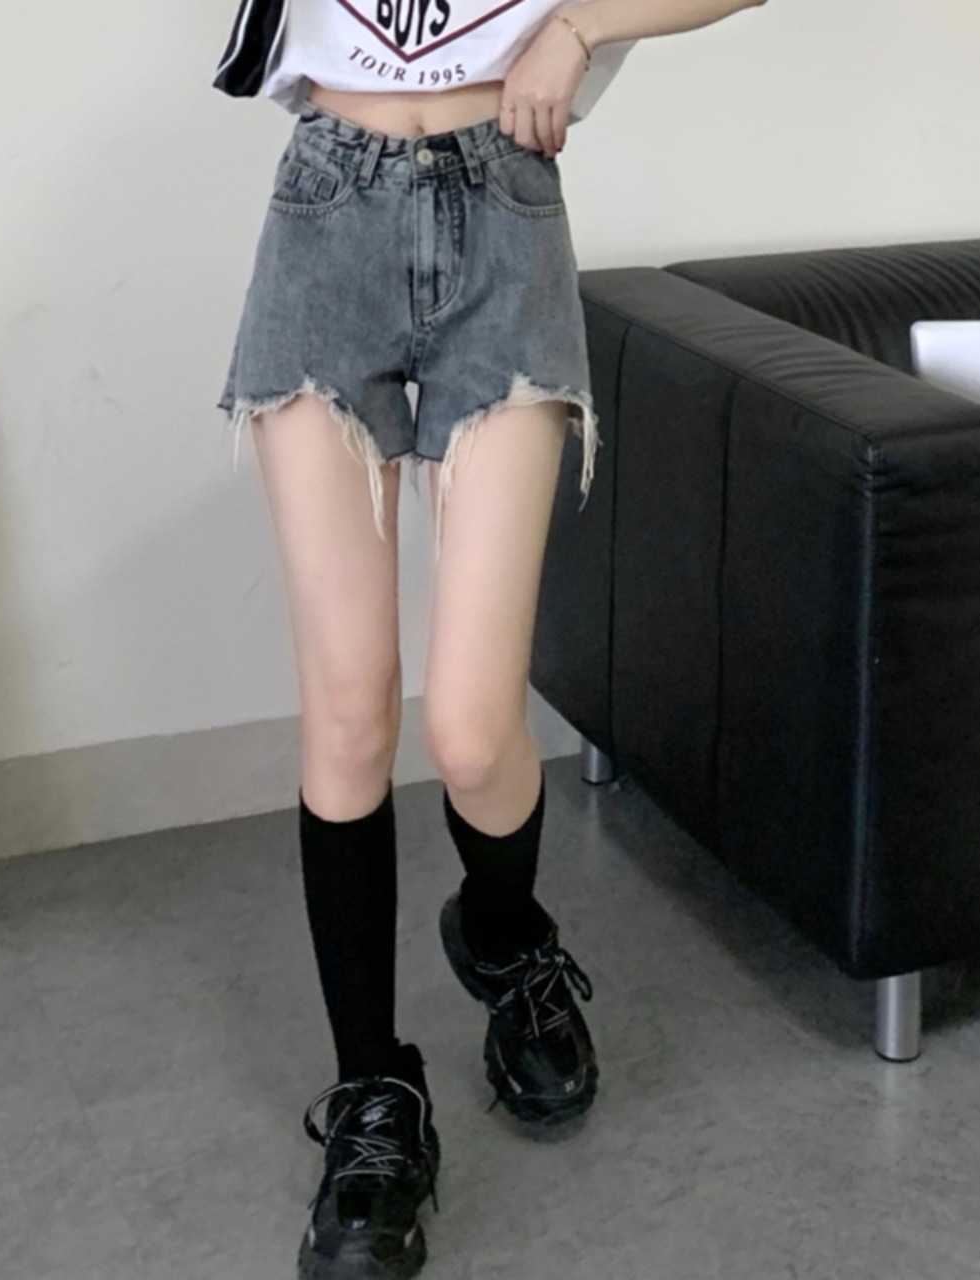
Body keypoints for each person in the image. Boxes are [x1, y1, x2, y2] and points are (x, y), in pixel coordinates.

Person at [212, 1, 768, 1275]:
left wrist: (576, 29)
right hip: (325, 210)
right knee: (349, 712)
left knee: (470, 728)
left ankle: (506, 937)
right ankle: (373, 1095)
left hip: (503, 208)